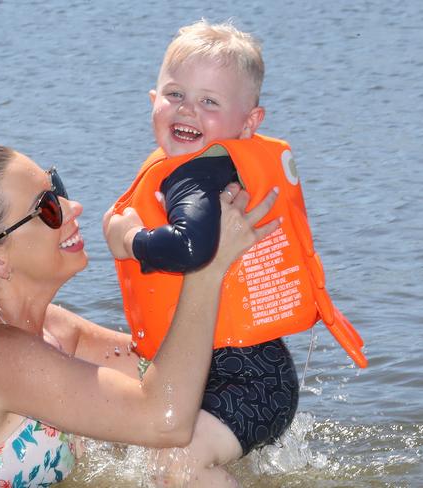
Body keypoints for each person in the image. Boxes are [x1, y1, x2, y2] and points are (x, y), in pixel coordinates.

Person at [0, 144, 279, 487]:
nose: (73, 207)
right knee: (179, 460)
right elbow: (165, 419)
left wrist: (173, 235)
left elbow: (176, 372)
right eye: (47, 208)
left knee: (181, 462)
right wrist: (205, 269)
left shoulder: (49, 329)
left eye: (56, 188)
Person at [103, 20, 302, 486]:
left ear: (248, 123)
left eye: (209, 102)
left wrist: (128, 241)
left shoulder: (199, 175)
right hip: (229, 372)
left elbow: (191, 248)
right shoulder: (193, 168)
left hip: (252, 383)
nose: (187, 110)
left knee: (177, 462)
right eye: (175, 94)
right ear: (152, 101)